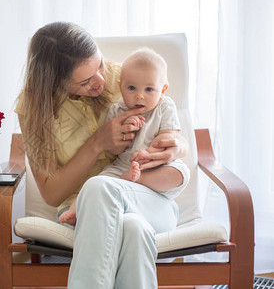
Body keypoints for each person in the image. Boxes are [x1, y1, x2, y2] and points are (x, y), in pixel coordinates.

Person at [16, 21, 188, 289]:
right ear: (56, 83)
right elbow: (51, 194)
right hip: (83, 212)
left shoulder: (129, 79)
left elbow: (170, 128)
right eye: (85, 81)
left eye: (100, 65)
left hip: (150, 201)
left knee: (99, 188)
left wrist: (178, 145)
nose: (100, 81)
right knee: (133, 229)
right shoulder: (33, 108)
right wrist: (97, 143)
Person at [59, 47, 190, 226]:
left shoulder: (164, 107)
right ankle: (76, 209)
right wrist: (127, 131)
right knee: (96, 183)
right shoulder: (117, 109)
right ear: (121, 87)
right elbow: (115, 150)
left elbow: (168, 136)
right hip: (124, 166)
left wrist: (151, 152)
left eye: (149, 89)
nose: (139, 96)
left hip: (157, 166)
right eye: (131, 88)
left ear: (163, 90)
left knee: (181, 173)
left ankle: (138, 180)